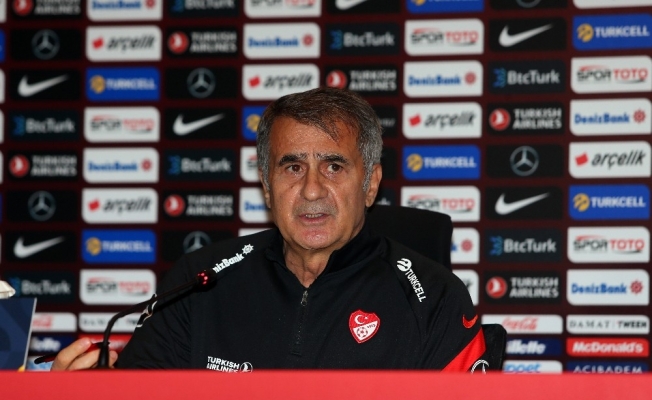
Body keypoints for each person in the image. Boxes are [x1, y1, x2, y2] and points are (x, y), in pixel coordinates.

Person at [52, 87, 485, 371]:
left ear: (370, 184)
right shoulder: (197, 283)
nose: (311, 190)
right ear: (266, 185)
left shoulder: (434, 298)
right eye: (292, 167)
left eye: (334, 167)